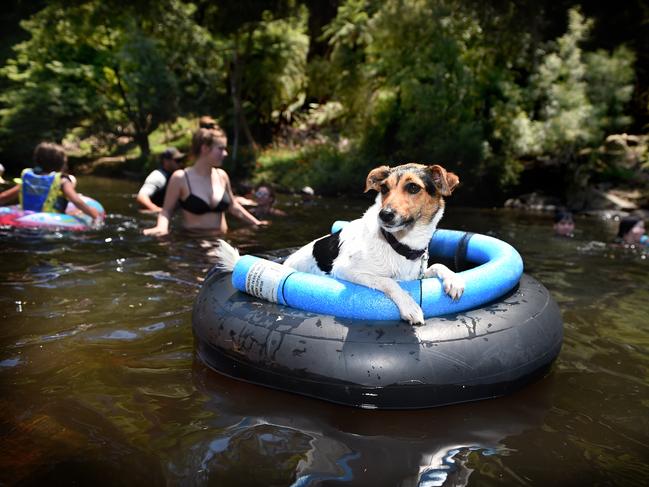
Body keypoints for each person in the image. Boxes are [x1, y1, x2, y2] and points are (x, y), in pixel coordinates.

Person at [143, 125, 267, 236]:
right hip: (193, 242)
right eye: (221, 148)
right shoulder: (180, 178)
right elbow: (167, 211)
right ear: (205, 149)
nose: (225, 153)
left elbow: (233, 206)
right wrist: (161, 228)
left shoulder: (222, 176)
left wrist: (256, 223)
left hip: (222, 242)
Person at [0, 142, 100, 221]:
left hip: (25, 220)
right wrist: (93, 214)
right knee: (77, 212)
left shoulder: (28, 179)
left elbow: (4, 197)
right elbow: (76, 200)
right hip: (50, 223)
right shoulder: (62, 180)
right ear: (61, 164)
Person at [136, 147, 185, 212]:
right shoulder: (157, 176)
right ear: (166, 161)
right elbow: (141, 197)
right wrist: (158, 210)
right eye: (177, 160)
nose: (181, 163)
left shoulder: (178, 176)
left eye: (181, 160)